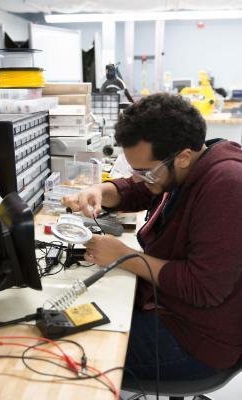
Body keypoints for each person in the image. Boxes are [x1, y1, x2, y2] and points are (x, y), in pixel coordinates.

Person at [62, 93, 242, 381]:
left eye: (146, 171)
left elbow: (203, 286)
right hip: (167, 307)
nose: (141, 177)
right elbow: (142, 188)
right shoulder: (188, 163)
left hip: (196, 339)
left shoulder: (228, 185)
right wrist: (100, 191)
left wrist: (124, 257)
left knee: (77, 354)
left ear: (183, 157)